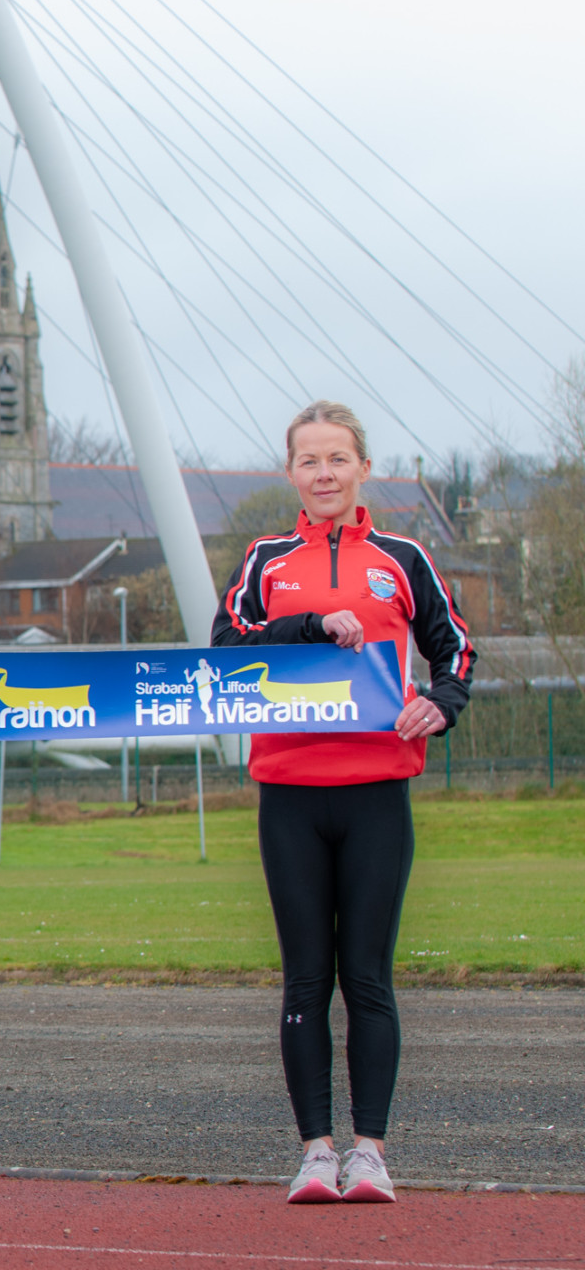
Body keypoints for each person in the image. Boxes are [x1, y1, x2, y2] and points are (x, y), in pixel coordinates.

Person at [211, 400, 472, 1205]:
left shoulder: (403, 557)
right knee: (303, 982)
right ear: (290, 472)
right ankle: (315, 1154)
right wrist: (308, 624)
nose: (323, 473)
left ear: (364, 468)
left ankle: (370, 1155)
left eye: (338, 459)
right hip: (289, 793)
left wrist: (445, 699)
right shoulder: (263, 559)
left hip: (376, 795)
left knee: (367, 979)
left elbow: (452, 647)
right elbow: (222, 652)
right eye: (309, 461)